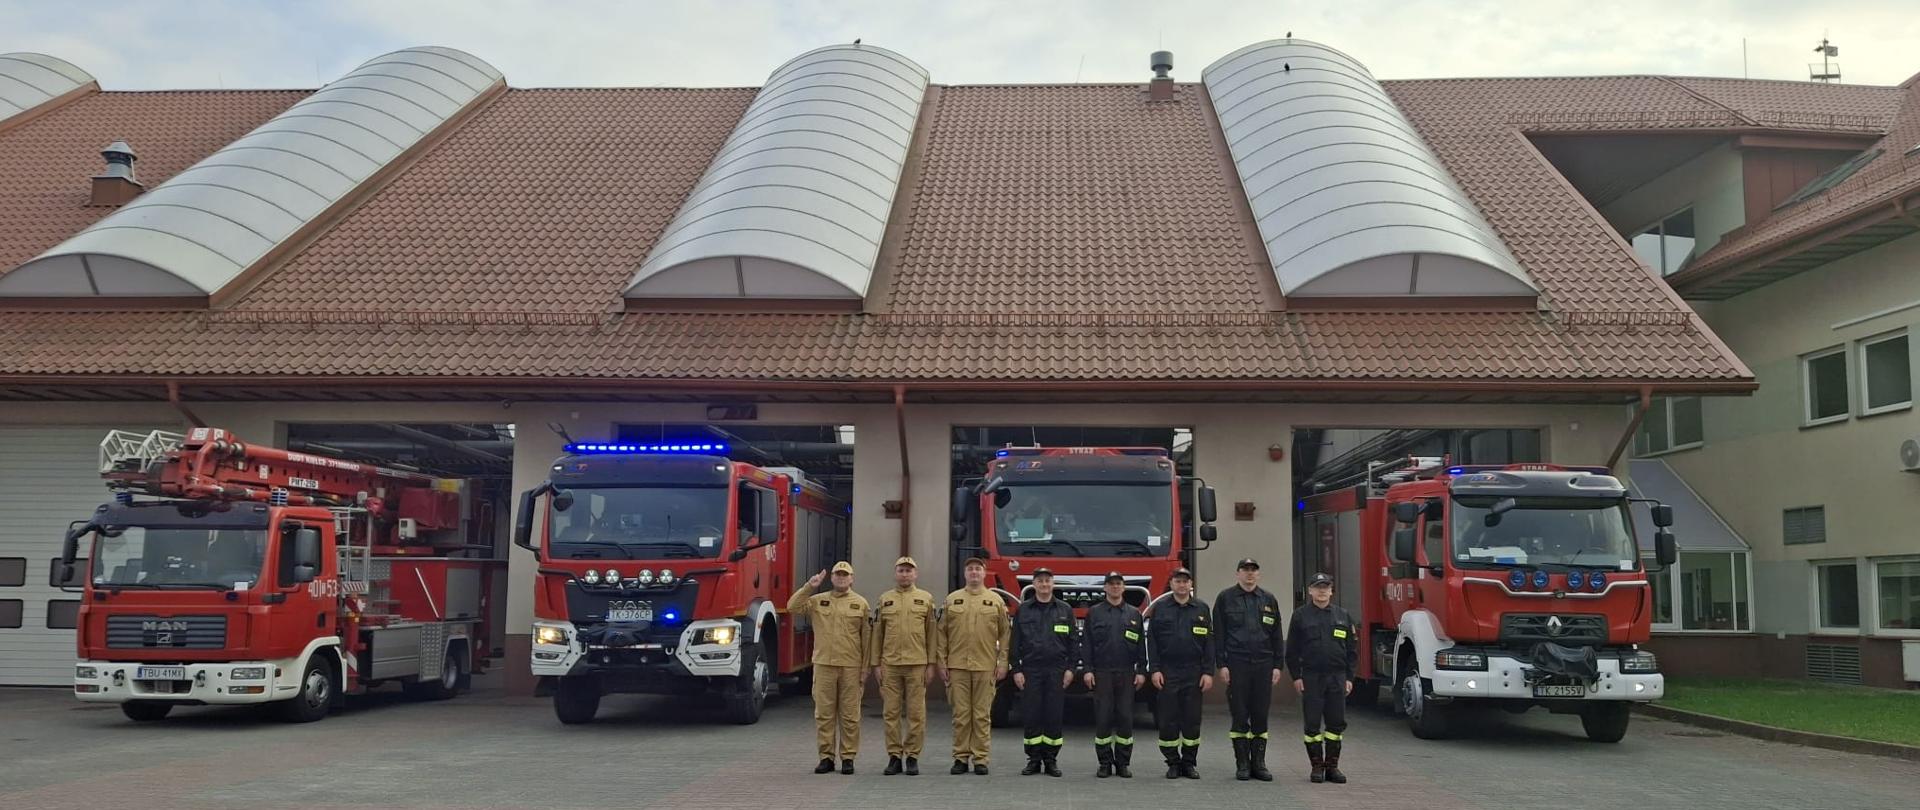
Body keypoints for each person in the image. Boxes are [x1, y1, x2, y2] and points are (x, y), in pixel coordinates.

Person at [787, 561, 870, 775]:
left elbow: (867, 640)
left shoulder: (860, 604)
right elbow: (792, 606)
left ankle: (848, 757)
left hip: (851, 666)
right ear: (831, 578)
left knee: (850, 715)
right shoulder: (818, 601)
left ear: (852, 578)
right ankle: (826, 757)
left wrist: (865, 668)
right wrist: (810, 586)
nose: (841, 578)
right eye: (837, 574)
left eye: (845, 575)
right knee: (824, 714)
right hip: (824, 665)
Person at [1214, 557, 1284, 781]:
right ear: (1238, 574)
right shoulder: (1226, 598)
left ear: (1258, 574)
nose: (1249, 574)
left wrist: (1278, 666)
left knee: (1260, 714)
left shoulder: (1268, 599)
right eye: (1245, 570)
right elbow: (1219, 635)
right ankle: (1242, 763)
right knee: (1240, 714)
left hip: (1264, 664)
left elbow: (1276, 635)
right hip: (1237, 663)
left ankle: (1259, 764)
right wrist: (1222, 665)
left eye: (1253, 570)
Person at [939, 556, 1009, 775]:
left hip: (985, 666)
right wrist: (942, 663)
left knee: (981, 715)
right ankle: (960, 758)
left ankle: (981, 759)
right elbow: (941, 634)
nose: (974, 573)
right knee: (961, 715)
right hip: (958, 666)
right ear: (965, 573)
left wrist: (1003, 663)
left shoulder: (995, 601)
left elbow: (1005, 634)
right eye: (970, 569)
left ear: (984, 573)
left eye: (978, 569)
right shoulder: (952, 600)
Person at [1286, 572, 1358, 785]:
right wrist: (1296, 676)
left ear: (1331, 591)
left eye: (1325, 587)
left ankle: (1332, 767)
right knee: (1312, 725)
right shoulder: (1300, 616)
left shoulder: (1342, 615)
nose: (1322, 591)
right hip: (1311, 677)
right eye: (1318, 587)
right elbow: (1292, 650)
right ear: (1310, 590)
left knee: (1336, 724)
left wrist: (1349, 677)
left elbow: (1351, 651)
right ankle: (1317, 766)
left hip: (1337, 677)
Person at [869, 556, 938, 776]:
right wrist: (876, 663)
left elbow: (932, 634)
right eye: (901, 570)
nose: (905, 574)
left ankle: (912, 757)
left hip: (917, 664)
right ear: (895, 573)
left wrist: (931, 664)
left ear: (915, 574)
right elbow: (877, 634)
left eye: (909, 571)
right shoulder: (885, 599)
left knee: (916, 714)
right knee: (891, 713)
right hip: (890, 665)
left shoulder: (925, 599)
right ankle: (894, 756)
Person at [1147, 567, 1214, 779]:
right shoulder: (1161, 608)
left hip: (1194, 672)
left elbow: (1209, 643)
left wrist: (1208, 672)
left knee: (1192, 720)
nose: (1182, 585)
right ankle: (1172, 762)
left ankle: (1189, 763)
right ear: (1172, 584)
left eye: (1186, 581)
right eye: (1178, 581)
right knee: (1168, 720)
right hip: (1168, 671)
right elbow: (1153, 642)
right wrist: (1155, 669)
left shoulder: (1202, 608)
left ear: (1191, 584)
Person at [1008, 567, 1076, 777]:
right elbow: (1015, 643)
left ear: (1053, 584)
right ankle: (1034, 759)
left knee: (1053, 715)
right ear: (1034, 584)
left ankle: (1051, 760)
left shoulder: (1065, 610)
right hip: (1031, 670)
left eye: (1048, 581)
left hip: (1056, 670)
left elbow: (1074, 644)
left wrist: (1071, 669)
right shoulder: (1024, 610)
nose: (1044, 585)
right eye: (1040, 581)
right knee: (1032, 714)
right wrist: (1016, 670)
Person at [1081, 571, 1146, 778]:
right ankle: (1104, 763)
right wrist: (1088, 670)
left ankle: (1123, 763)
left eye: (1118, 584)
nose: (1115, 587)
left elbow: (1140, 645)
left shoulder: (1134, 613)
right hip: (1102, 673)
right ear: (1105, 588)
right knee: (1103, 718)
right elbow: (1087, 643)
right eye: (1111, 584)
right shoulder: (1094, 612)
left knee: (1126, 718)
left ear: (1123, 588)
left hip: (1127, 673)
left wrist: (1142, 670)